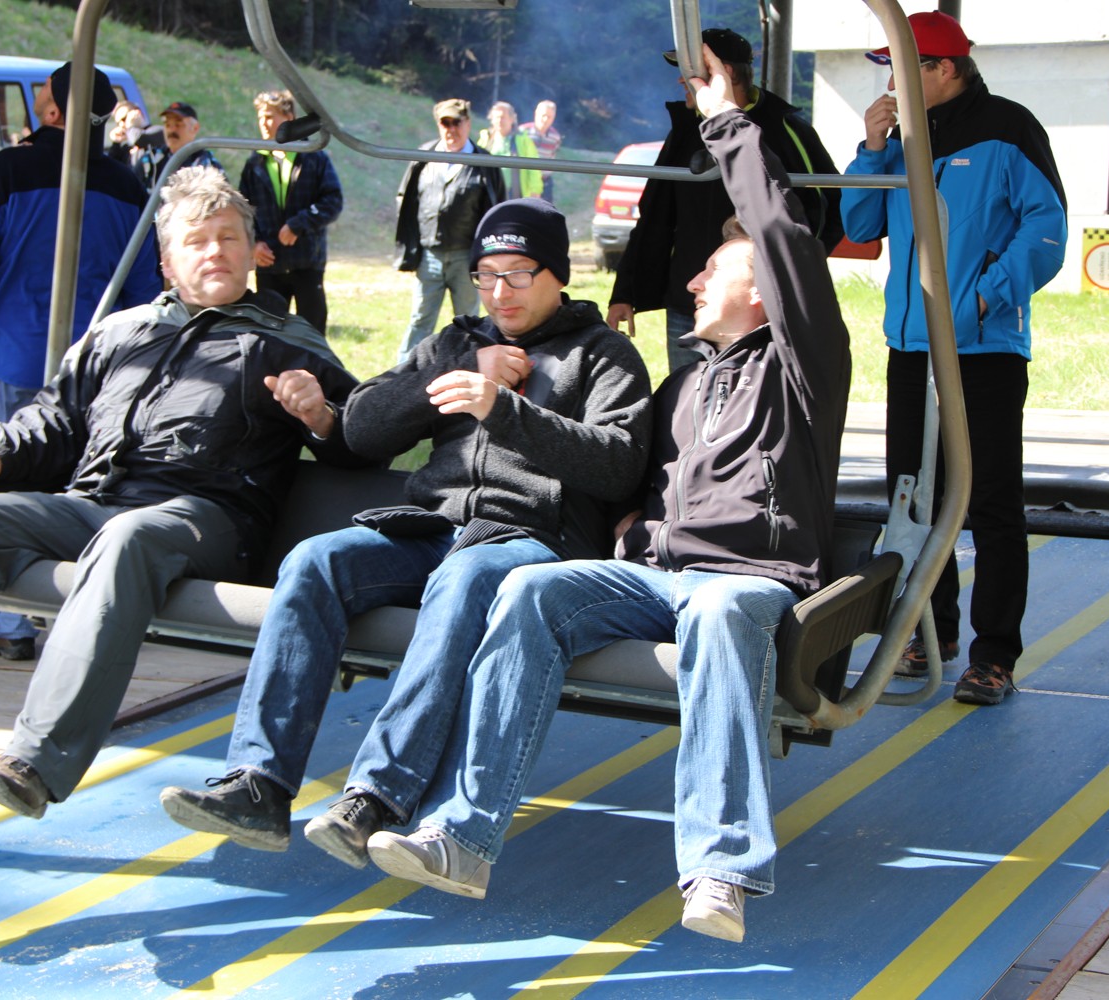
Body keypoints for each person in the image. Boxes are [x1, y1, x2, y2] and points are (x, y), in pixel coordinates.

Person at [363, 47, 851, 946]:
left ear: (766, 292)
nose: (692, 282)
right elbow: (639, 479)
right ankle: (463, 835)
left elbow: (783, 234)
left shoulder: (802, 370)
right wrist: (635, 526)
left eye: (712, 270)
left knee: (720, 613)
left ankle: (720, 868)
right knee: (530, 589)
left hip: (751, 578)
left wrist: (728, 122)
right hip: (661, 576)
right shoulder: (685, 385)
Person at [0, 166, 366, 820]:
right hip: (95, 504)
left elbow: (363, 440)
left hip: (208, 516)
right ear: (168, 262)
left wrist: (321, 416)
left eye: (229, 238)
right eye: (196, 241)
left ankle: (38, 760)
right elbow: (56, 418)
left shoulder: (285, 343)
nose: (215, 252)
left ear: (253, 252)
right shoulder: (122, 333)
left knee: (127, 536)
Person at [159, 198, 654, 866]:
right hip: (433, 528)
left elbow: (620, 466)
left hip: (530, 540)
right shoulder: (456, 343)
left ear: (557, 275)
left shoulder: (603, 355)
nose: (498, 292)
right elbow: (361, 428)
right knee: (316, 560)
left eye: (517, 274)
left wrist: (504, 410)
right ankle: (259, 784)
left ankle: (378, 795)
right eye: (485, 276)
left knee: (464, 577)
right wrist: (453, 378)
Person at [840, 11, 1067, 706]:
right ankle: (926, 633)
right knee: (914, 500)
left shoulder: (1008, 128)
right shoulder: (900, 139)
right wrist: (872, 148)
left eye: (899, 69)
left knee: (991, 502)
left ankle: (993, 655)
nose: (889, 84)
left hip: (983, 349)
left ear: (941, 68)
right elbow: (859, 224)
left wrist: (985, 297)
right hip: (912, 348)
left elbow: (1048, 228)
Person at [0, 62, 162, 662]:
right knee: (78, 492)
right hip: (97, 373)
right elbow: (145, 289)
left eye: (42, 95)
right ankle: (77, 613)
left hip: (14, 360)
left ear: (54, 111)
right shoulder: (127, 187)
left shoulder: (8, 171)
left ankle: (10, 623)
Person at [607, 26, 843, 376]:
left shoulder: (787, 130)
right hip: (688, 303)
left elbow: (829, 210)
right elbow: (655, 216)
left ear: (726, 73)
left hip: (757, 309)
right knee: (688, 397)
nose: (680, 80)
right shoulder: (684, 130)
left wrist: (787, 280)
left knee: (748, 396)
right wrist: (625, 292)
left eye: (691, 71)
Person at [392, 98, 505, 362]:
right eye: (445, 123)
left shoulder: (485, 162)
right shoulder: (424, 156)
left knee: (470, 321)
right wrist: (413, 245)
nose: (451, 129)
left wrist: (487, 258)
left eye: (457, 122)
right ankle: (403, 371)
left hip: (467, 257)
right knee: (420, 319)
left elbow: (496, 208)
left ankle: (473, 365)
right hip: (430, 255)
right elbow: (405, 199)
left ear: (468, 123)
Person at [239, 89, 343, 334]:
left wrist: (299, 224)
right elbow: (243, 211)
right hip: (269, 263)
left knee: (312, 333)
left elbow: (333, 201)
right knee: (269, 334)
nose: (264, 124)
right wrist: (254, 244)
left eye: (269, 117)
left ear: (288, 117)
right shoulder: (254, 162)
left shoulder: (314, 157)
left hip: (307, 262)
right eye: (261, 117)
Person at [136, 100, 225, 190]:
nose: (171, 130)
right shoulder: (151, 160)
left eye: (178, 124)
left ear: (195, 128)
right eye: (167, 124)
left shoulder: (207, 166)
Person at [477, 101, 542, 200]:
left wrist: (535, 191)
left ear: (512, 119)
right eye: (496, 117)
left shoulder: (523, 140)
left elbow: (534, 167)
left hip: (513, 195)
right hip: (489, 192)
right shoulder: (486, 139)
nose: (499, 121)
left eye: (503, 117)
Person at [519, 100, 561, 204]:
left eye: (549, 117)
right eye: (543, 115)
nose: (545, 119)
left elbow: (553, 155)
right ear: (536, 114)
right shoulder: (523, 131)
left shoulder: (555, 137)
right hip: (525, 181)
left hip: (545, 181)